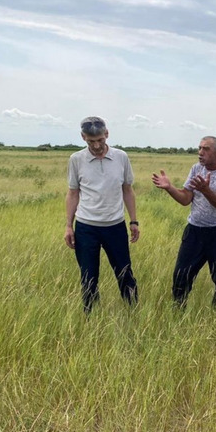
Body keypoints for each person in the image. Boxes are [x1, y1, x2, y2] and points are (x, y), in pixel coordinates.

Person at [152, 136, 216, 308]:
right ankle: (178, 310)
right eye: (199, 148)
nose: (200, 153)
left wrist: (206, 190)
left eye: (206, 149)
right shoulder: (196, 169)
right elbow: (186, 198)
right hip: (195, 231)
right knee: (181, 275)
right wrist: (169, 188)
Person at [64, 116, 139, 314]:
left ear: (107, 134)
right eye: (91, 141)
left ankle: (133, 312)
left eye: (100, 140)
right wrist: (68, 226)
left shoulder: (121, 157)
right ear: (83, 137)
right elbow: (73, 193)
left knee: (124, 272)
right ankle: (90, 316)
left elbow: (127, 190)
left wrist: (133, 221)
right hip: (86, 227)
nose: (96, 146)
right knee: (88, 275)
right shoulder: (76, 159)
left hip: (115, 225)